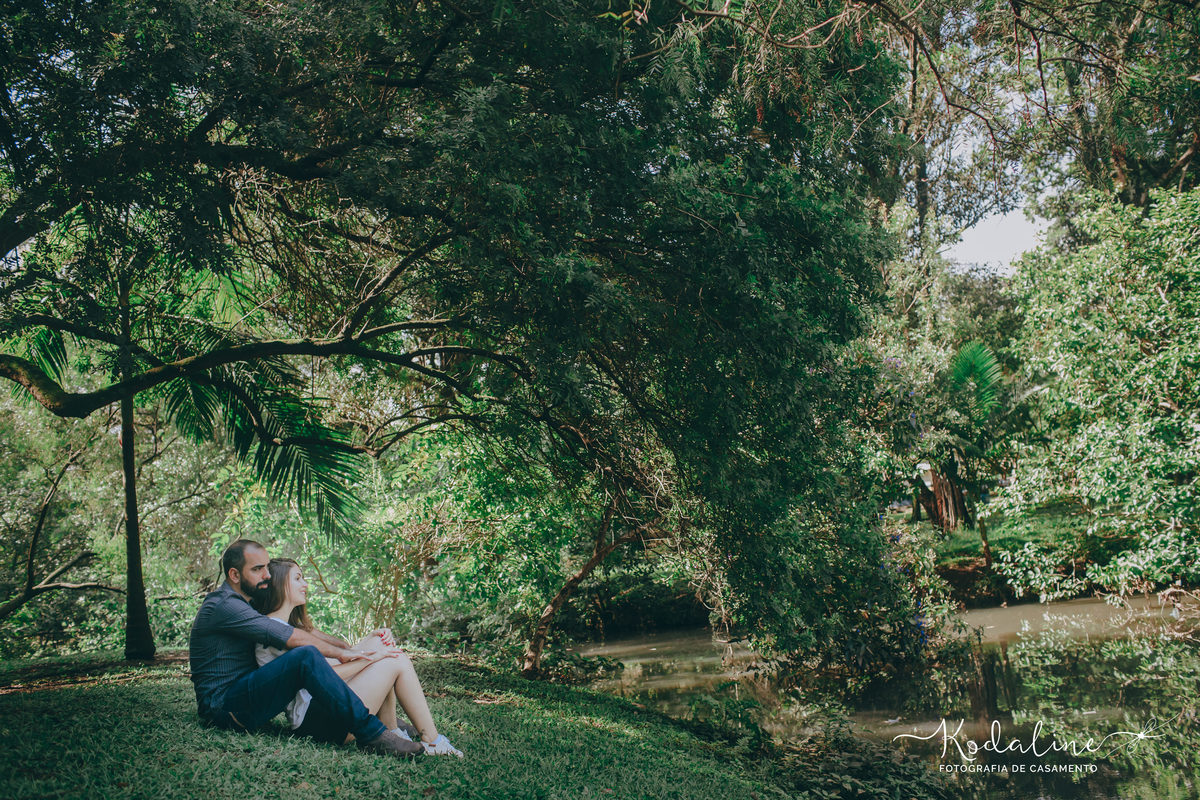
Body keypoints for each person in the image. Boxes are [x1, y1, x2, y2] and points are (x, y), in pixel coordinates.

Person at [188, 538, 423, 759]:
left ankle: (379, 720)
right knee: (304, 656)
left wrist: (345, 646)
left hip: (246, 693)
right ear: (234, 575)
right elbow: (284, 634)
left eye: (267, 567)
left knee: (309, 655)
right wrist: (343, 653)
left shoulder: (248, 601)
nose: (267, 575)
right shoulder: (223, 605)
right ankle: (371, 733)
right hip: (223, 707)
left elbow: (299, 628)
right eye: (258, 569)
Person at [252, 557, 463, 757]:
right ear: (280, 585)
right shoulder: (276, 633)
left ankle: (392, 730)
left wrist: (370, 642)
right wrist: (372, 658)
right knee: (395, 659)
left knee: (381, 643)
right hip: (317, 719)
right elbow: (324, 678)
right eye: (298, 578)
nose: (305, 584)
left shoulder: (289, 627)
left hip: (325, 704)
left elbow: (330, 664)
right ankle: (433, 740)